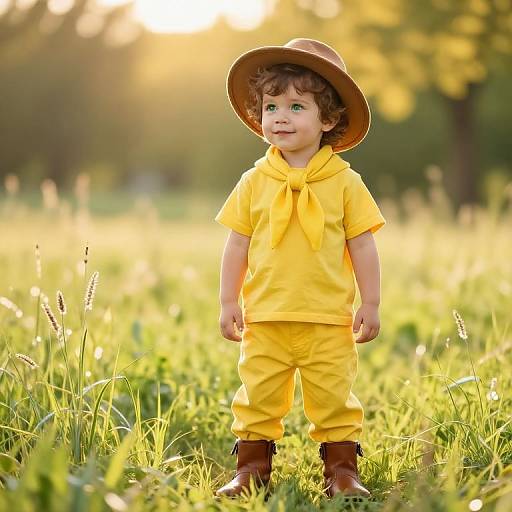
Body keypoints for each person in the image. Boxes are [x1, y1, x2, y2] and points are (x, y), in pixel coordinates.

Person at [214, 38, 386, 500]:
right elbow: (237, 242)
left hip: (328, 318)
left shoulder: (345, 183)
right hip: (266, 315)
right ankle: (251, 469)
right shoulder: (254, 181)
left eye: (296, 106)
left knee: (333, 397)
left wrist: (370, 301)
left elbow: (363, 244)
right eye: (271, 106)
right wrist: (229, 298)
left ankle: (342, 472)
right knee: (257, 395)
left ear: (328, 119)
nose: (281, 117)